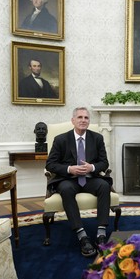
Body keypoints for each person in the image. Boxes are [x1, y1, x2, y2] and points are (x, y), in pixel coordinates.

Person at [46, 107, 111, 257]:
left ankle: (101, 234)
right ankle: (82, 236)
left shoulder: (97, 138)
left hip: (90, 179)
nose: (83, 120)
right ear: (73, 120)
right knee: (66, 189)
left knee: (104, 185)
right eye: (80, 117)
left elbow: (104, 163)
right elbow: (50, 164)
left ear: (89, 121)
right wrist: (69, 169)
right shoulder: (61, 139)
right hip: (68, 179)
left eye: (86, 118)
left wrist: (92, 167)